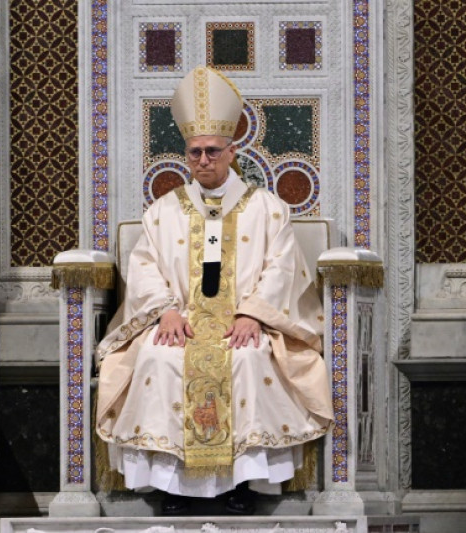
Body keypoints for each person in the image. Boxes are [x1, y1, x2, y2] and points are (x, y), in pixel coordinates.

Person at [95, 65, 332, 516]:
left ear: (232, 151)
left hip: (244, 323)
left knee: (248, 358)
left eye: (212, 151)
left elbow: (282, 267)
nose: (203, 160)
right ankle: (172, 486)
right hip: (179, 321)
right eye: (195, 152)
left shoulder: (267, 208)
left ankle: (238, 486)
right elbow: (144, 266)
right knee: (158, 358)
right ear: (186, 155)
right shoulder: (163, 211)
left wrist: (253, 314)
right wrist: (164, 310)